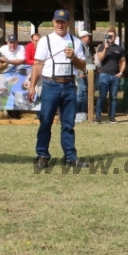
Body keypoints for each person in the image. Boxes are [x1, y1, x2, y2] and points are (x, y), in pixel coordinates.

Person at [27, 9, 88, 169]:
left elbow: (83, 66)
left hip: (69, 85)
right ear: (53, 22)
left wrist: (73, 57)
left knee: (68, 123)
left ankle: (70, 156)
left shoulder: (75, 42)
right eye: (57, 21)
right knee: (45, 121)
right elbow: (37, 65)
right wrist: (32, 86)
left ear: (68, 23)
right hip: (50, 85)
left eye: (63, 22)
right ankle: (42, 155)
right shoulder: (45, 41)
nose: (60, 24)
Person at [95, 29, 125, 123]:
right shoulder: (101, 47)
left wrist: (121, 72)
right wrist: (105, 48)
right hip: (104, 75)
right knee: (102, 97)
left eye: (112, 36)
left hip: (115, 76)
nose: (111, 37)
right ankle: (98, 117)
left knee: (114, 97)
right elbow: (100, 58)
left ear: (115, 37)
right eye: (109, 36)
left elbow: (123, 62)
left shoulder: (119, 48)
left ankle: (112, 117)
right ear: (106, 37)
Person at [0, 34, 27, 120]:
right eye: (10, 43)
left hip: (18, 76)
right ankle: (8, 112)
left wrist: (8, 61)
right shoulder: (2, 49)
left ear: (17, 42)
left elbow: (21, 60)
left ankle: (15, 115)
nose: (12, 45)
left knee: (15, 94)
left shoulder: (21, 48)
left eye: (14, 43)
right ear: (7, 43)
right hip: (5, 75)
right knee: (4, 93)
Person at [75, 30, 93, 119]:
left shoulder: (85, 46)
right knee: (82, 91)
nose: (89, 37)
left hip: (86, 72)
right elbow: (79, 58)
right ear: (83, 37)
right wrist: (81, 72)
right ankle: (78, 111)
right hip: (81, 73)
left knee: (83, 92)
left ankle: (82, 112)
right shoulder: (81, 45)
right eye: (87, 36)